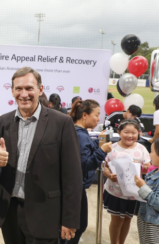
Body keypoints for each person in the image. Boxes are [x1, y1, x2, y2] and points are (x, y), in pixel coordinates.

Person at [0, 67, 83, 244]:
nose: (24, 94)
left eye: (29, 88)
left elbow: (73, 175)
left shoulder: (61, 122)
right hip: (10, 212)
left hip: (45, 213)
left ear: (40, 89)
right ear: (12, 90)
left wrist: (70, 219)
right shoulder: (3, 122)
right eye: (18, 89)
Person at [61, 100, 112, 244]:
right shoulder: (82, 135)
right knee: (77, 226)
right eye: (96, 115)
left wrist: (97, 143)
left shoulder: (76, 132)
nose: (98, 119)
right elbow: (84, 165)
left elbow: (84, 151)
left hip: (74, 187)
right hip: (76, 188)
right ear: (84, 115)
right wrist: (102, 151)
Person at [103, 119, 151, 244]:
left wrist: (138, 167)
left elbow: (148, 168)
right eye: (126, 132)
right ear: (119, 132)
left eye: (134, 133)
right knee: (117, 220)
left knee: (127, 220)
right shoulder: (112, 148)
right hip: (116, 192)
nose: (130, 136)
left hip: (133, 194)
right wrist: (108, 174)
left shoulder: (141, 149)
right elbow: (104, 166)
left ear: (138, 133)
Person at [135, 137, 159, 243]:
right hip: (146, 221)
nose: (149, 155)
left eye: (151, 152)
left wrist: (143, 187)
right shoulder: (153, 173)